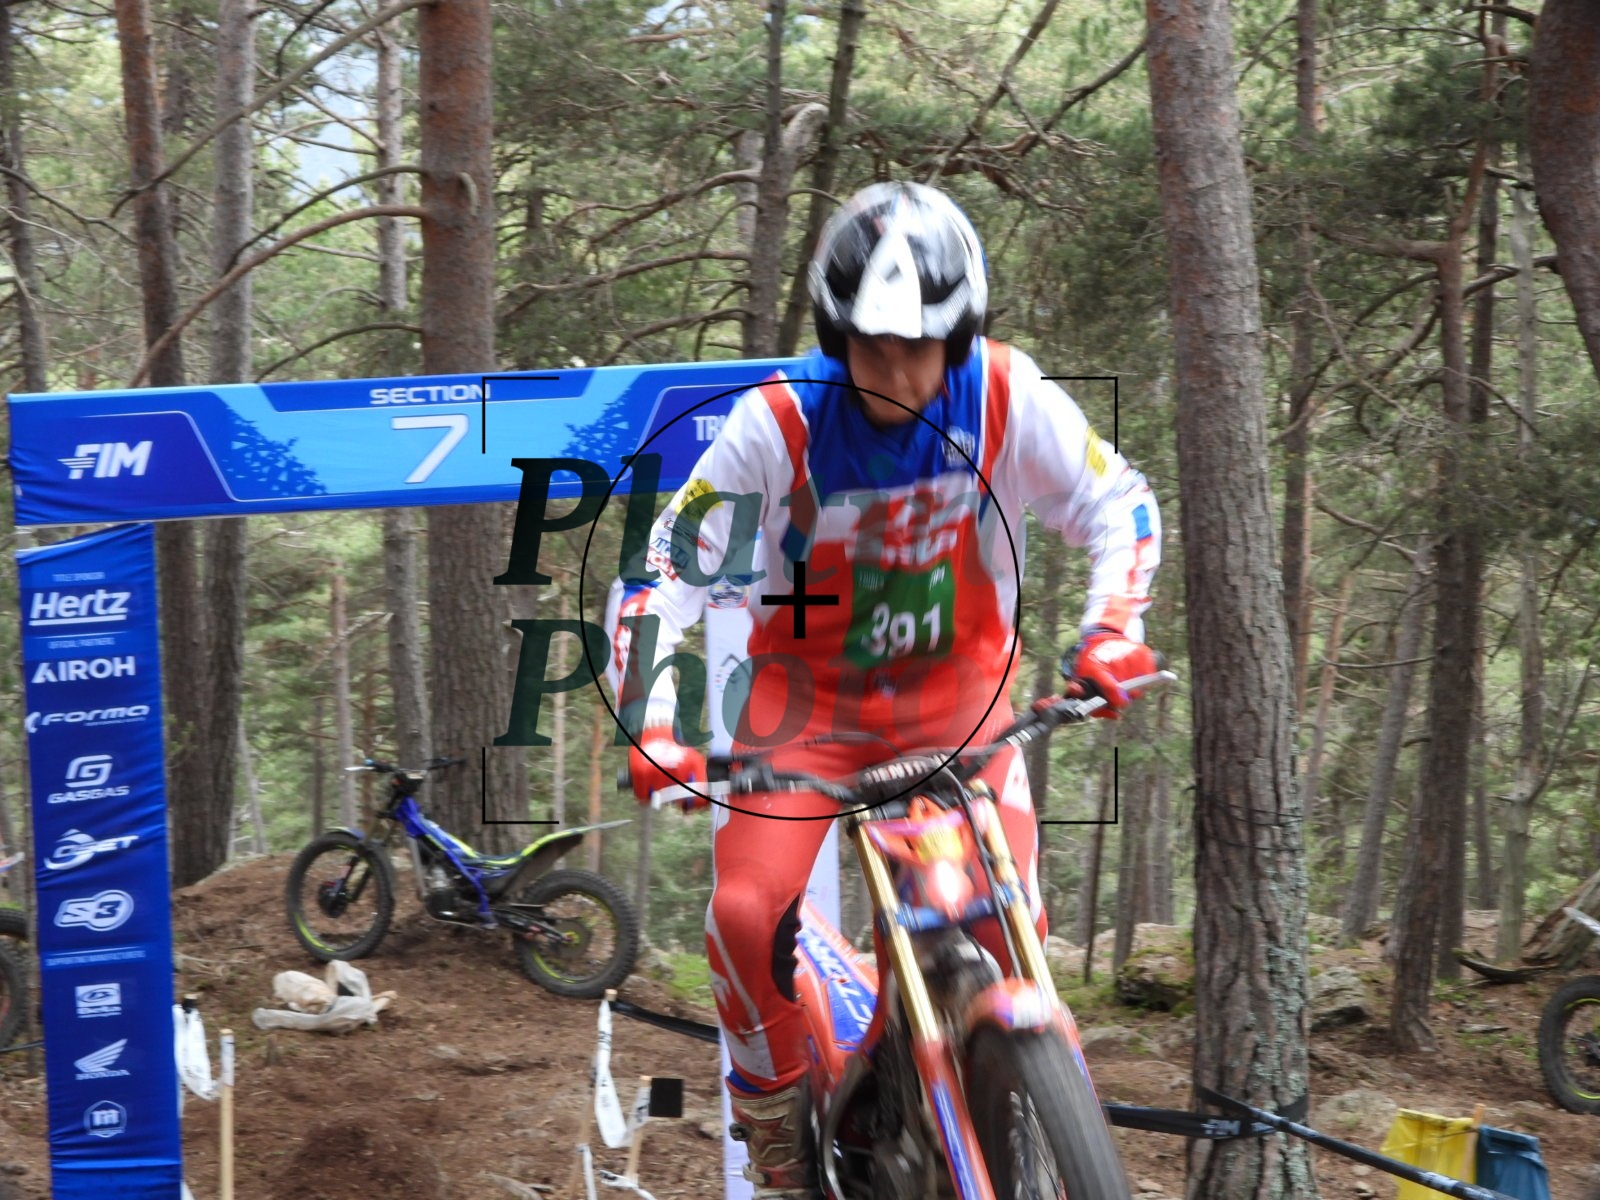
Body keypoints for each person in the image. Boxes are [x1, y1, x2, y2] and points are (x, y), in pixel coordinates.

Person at [605, 181, 1162, 1199]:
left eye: (920, 348)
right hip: (801, 718)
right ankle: (774, 1121)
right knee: (746, 911)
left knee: (1013, 928)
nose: (898, 372)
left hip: (962, 709)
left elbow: (1114, 501)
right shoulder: (778, 424)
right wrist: (653, 717)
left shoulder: (1006, 397)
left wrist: (1112, 629)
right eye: (873, 348)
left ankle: (993, 1101)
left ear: (960, 337)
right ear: (837, 335)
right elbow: (661, 574)